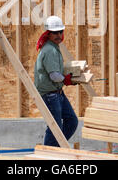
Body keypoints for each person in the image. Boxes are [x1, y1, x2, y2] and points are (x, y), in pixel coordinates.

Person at [34, 15, 78, 147]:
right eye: (55, 33)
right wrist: (67, 79)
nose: (59, 35)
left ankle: (56, 148)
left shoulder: (53, 47)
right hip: (50, 95)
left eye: (61, 32)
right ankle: (48, 154)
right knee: (55, 128)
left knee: (71, 121)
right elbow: (54, 76)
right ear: (48, 33)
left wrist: (68, 78)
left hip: (57, 93)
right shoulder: (50, 50)